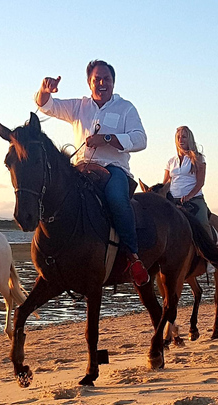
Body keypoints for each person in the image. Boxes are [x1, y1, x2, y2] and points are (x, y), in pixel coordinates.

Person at [34, 59, 150, 286]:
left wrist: (107, 139)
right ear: (89, 83)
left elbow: (140, 139)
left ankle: (133, 256)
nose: (102, 83)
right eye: (97, 79)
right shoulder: (80, 106)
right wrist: (44, 90)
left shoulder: (125, 108)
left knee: (117, 199)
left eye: (106, 79)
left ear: (113, 83)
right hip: (81, 169)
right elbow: (47, 106)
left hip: (113, 170)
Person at [163, 126, 210, 232]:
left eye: (184, 137)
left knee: (203, 224)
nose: (180, 140)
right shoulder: (171, 161)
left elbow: (200, 182)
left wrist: (189, 196)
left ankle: (208, 247)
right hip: (173, 200)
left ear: (189, 139)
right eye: (178, 137)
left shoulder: (198, 158)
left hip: (193, 199)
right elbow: (165, 183)